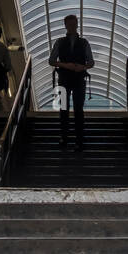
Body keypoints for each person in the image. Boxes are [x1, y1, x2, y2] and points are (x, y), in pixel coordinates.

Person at [49, 14, 93, 151]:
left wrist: (65, 65)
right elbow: (51, 60)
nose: (73, 27)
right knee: (69, 109)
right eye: (70, 25)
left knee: (73, 109)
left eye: (74, 24)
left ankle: (69, 138)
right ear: (66, 26)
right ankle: (72, 139)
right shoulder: (82, 42)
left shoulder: (61, 42)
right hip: (73, 78)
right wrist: (79, 67)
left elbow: (52, 61)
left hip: (66, 79)